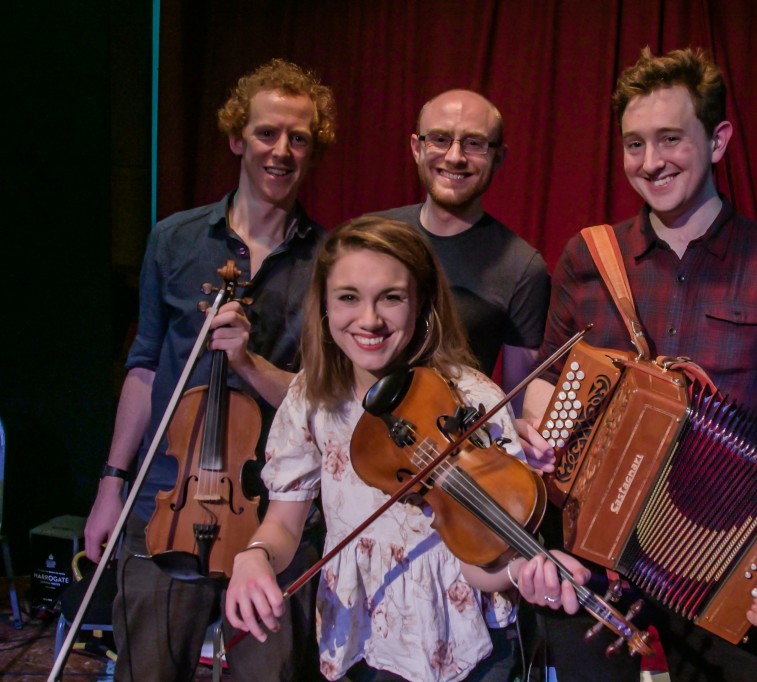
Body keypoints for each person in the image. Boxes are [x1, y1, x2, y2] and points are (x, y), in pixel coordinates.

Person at [515, 47, 757, 681]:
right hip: (594, 545)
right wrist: (538, 431)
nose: (650, 162)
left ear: (717, 141)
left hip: (722, 551)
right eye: (634, 144)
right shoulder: (587, 255)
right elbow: (545, 384)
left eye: (670, 139)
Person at [224, 216, 587, 682]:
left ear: (421, 305)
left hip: (465, 648)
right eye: (348, 298)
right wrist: (255, 555)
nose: (370, 319)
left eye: (391, 297)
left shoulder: (471, 399)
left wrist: (520, 574)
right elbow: (283, 524)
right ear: (324, 308)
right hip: (361, 634)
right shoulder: (312, 398)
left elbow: (481, 565)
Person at [82, 58, 336, 681]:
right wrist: (110, 487)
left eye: (298, 138)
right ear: (236, 138)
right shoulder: (174, 239)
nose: (281, 151)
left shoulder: (332, 261)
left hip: (276, 508)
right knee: (147, 670)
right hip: (167, 498)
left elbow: (323, 396)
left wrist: (247, 363)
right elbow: (143, 367)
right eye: (267, 133)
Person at [374, 89, 550, 409]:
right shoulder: (371, 239)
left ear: (499, 157)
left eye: (474, 143)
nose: (455, 157)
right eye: (440, 139)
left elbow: (516, 402)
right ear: (417, 148)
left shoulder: (522, 267)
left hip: (449, 446)